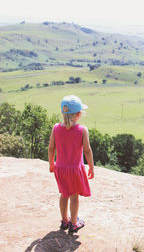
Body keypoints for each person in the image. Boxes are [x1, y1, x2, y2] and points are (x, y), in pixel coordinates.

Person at [48, 95, 94, 233]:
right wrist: (91, 167)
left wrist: (51, 162)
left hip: (60, 169)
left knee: (64, 194)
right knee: (74, 196)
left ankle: (64, 221)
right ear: (78, 114)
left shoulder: (56, 128)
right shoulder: (82, 130)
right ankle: (74, 224)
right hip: (75, 170)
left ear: (63, 112)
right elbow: (87, 150)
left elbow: (51, 148)